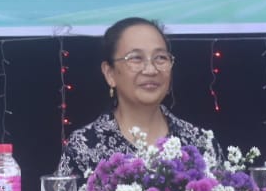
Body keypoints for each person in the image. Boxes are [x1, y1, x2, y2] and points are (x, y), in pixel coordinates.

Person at [58, 17, 214, 178]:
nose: (151, 70)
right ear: (110, 73)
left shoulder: (198, 142)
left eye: (161, 58)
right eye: (136, 58)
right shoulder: (84, 147)